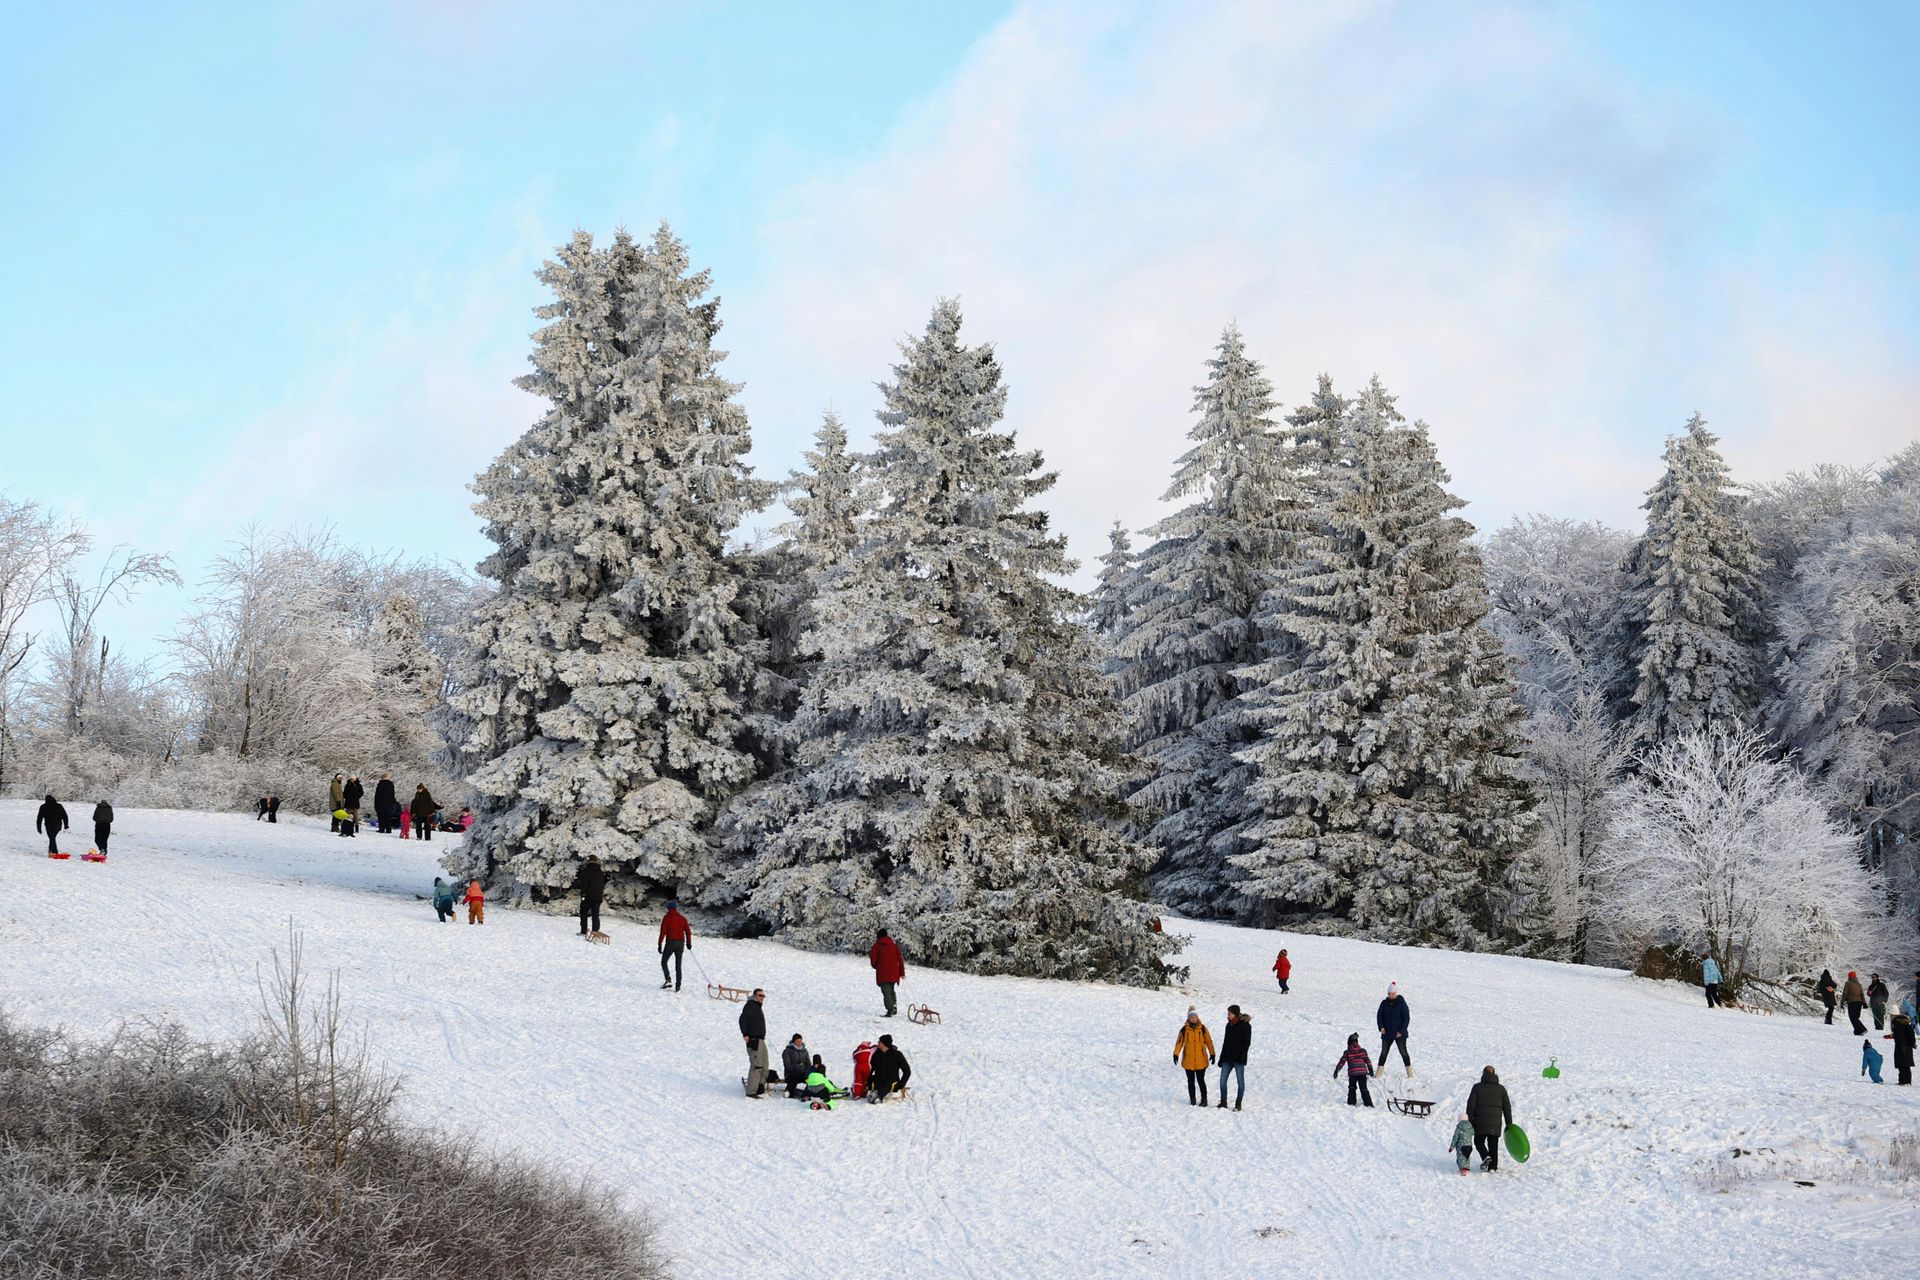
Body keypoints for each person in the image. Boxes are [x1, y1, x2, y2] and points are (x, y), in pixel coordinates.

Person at [1466, 1066, 1513, 1172]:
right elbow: (1507, 1108)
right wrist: (1509, 1123)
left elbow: (1471, 1105)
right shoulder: (1501, 1089)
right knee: (1493, 1145)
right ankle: (1493, 1167)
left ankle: (1485, 1156)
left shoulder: (1477, 1087)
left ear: (1483, 1073)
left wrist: (1469, 1119)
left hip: (1480, 1121)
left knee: (1478, 1141)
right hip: (1495, 1123)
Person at [1174, 1007, 1215, 1107]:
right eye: (1191, 1017)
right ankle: (1192, 1099)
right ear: (1188, 1018)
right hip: (1188, 1060)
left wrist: (1212, 1053)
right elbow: (1179, 1043)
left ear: (1197, 1017)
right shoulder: (1184, 1030)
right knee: (1190, 1081)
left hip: (1201, 1060)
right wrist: (1176, 1054)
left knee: (1201, 1080)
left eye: (1194, 1017)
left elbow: (1209, 1041)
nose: (1193, 1019)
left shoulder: (1203, 1029)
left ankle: (1204, 1100)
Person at [1216, 1005, 1250, 1111]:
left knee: (1240, 1081)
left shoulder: (1245, 1025)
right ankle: (1223, 1102)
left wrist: (1242, 1057)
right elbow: (1225, 1042)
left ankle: (1238, 1103)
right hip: (1227, 1058)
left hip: (1239, 1059)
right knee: (1222, 1080)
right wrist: (1221, 1058)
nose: (1228, 1015)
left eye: (1229, 1013)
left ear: (1235, 1014)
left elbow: (1246, 1043)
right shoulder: (1229, 1025)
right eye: (1228, 1013)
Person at [1377, 983, 1412, 1077]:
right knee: (1384, 1052)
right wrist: (1381, 1027)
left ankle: (1410, 1073)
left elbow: (1406, 1018)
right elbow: (1379, 1016)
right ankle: (1378, 1073)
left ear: (1396, 993)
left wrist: (1401, 1031)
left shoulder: (1402, 1003)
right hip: (1387, 1033)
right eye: (1389, 994)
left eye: (1392, 993)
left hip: (1399, 1034)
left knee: (1403, 1052)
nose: (1391, 995)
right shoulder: (1384, 1003)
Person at [869, 928, 906, 1017]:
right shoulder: (893, 945)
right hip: (894, 973)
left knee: (886, 992)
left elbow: (873, 960)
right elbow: (900, 960)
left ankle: (890, 1009)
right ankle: (893, 1006)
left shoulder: (876, 946)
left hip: (883, 973)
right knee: (891, 990)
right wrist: (902, 973)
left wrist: (877, 966)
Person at [740, 989, 769, 1098]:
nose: (762, 998)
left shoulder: (757, 1007)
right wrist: (745, 1034)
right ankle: (751, 1091)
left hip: (761, 1039)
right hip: (754, 1040)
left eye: (763, 996)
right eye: (760, 995)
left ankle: (760, 1087)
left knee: (764, 1064)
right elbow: (742, 1019)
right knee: (756, 1065)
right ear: (754, 995)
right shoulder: (751, 1006)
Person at [658, 900, 692, 991]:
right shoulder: (683, 918)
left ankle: (668, 980)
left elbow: (663, 931)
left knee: (664, 961)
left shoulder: (667, 917)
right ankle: (678, 986)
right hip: (681, 943)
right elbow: (688, 932)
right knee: (678, 966)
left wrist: (659, 944)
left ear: (668, 908)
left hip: (670, 942)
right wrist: (689, 943)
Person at [867, 1033, 912, 1103]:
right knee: (874, 1081)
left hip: (892, 1081)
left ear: (885, 1044)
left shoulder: (897, 1055)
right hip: (878, 1079)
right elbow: (871, 1067)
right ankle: (874, 1093)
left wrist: (901, 1085)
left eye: (880, 1042)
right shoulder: (877, 1054)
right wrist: (869, 1081)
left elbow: (907, 1071)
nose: (878, 1043)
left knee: (887, 1085)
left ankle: (878, 1097)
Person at [1334, 1033, 1375, 1108]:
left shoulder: (1347, 1052)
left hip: (1353, 1073)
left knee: (1352, 1088)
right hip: (1362, 1072)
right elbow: (1368, 1061)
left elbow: (1342, 1062)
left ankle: (1351, 1102)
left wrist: (1337, 1070)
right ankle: (1368, 1103)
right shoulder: (1363, 1051)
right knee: (1363, 1088)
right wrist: (1371, 1069)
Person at [576, 854, 605, 938]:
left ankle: (583, 930)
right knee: (595, 914)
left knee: (584, 913)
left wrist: (583, 894)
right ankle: (595, 931)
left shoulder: (586, 871)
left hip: (588, 896)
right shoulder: (600, 872)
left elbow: (584, 884)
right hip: (598, 897)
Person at [1885, 1010, 1915, 1086]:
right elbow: (1911, 1037)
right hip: (1908, 1048)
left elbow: (1900, 1037)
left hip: (1901, 1047)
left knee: (1901, 1065)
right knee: (1907, 1065)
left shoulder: (1898, 1026)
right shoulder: (1907, 1025)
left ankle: (1903, 1081)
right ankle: (1908, 1081)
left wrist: (1901, 1046)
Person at [782, 1035, 812, 1099]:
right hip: (791, 1074)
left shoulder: (805, 1051)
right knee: (795, 1074)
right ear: (793, 1042)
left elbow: (808, 1063)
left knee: (812, 1076)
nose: (799, 1043)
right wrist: (798, 1067)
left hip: (803, 1073)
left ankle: (810, 1092)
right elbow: (787, 1066)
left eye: (800, 1041)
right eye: (797, 1041)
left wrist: (808, 1071)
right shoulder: (787, 1051)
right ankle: (790, 1092)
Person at [1449, 1112, 1476, 1176]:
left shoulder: (1458, 1128)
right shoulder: (1470, 1127)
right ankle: (1467, 1167)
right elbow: (1473, 1132)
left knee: (1461, 1158)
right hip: (1469, 1146)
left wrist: (1451, 1147)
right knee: (1467, 1157)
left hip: (1461, 1146)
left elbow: (1455, 1138)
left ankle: (1463, 1169)